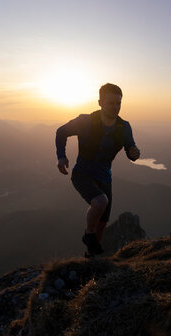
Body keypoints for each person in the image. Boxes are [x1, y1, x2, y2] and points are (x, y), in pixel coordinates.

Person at [55, 83, 140, 257]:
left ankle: (92, 256)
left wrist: (134, 153)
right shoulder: (85, 121)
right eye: (111, 103)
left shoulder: (124, 128)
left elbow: (131, 149)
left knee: (102, 222)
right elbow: (61, 132)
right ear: (100, 102)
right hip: (82, 174)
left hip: (105, 178)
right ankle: (88, 235)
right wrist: (61, 157)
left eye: (119, 103)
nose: (116, 107)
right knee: (100, 202)